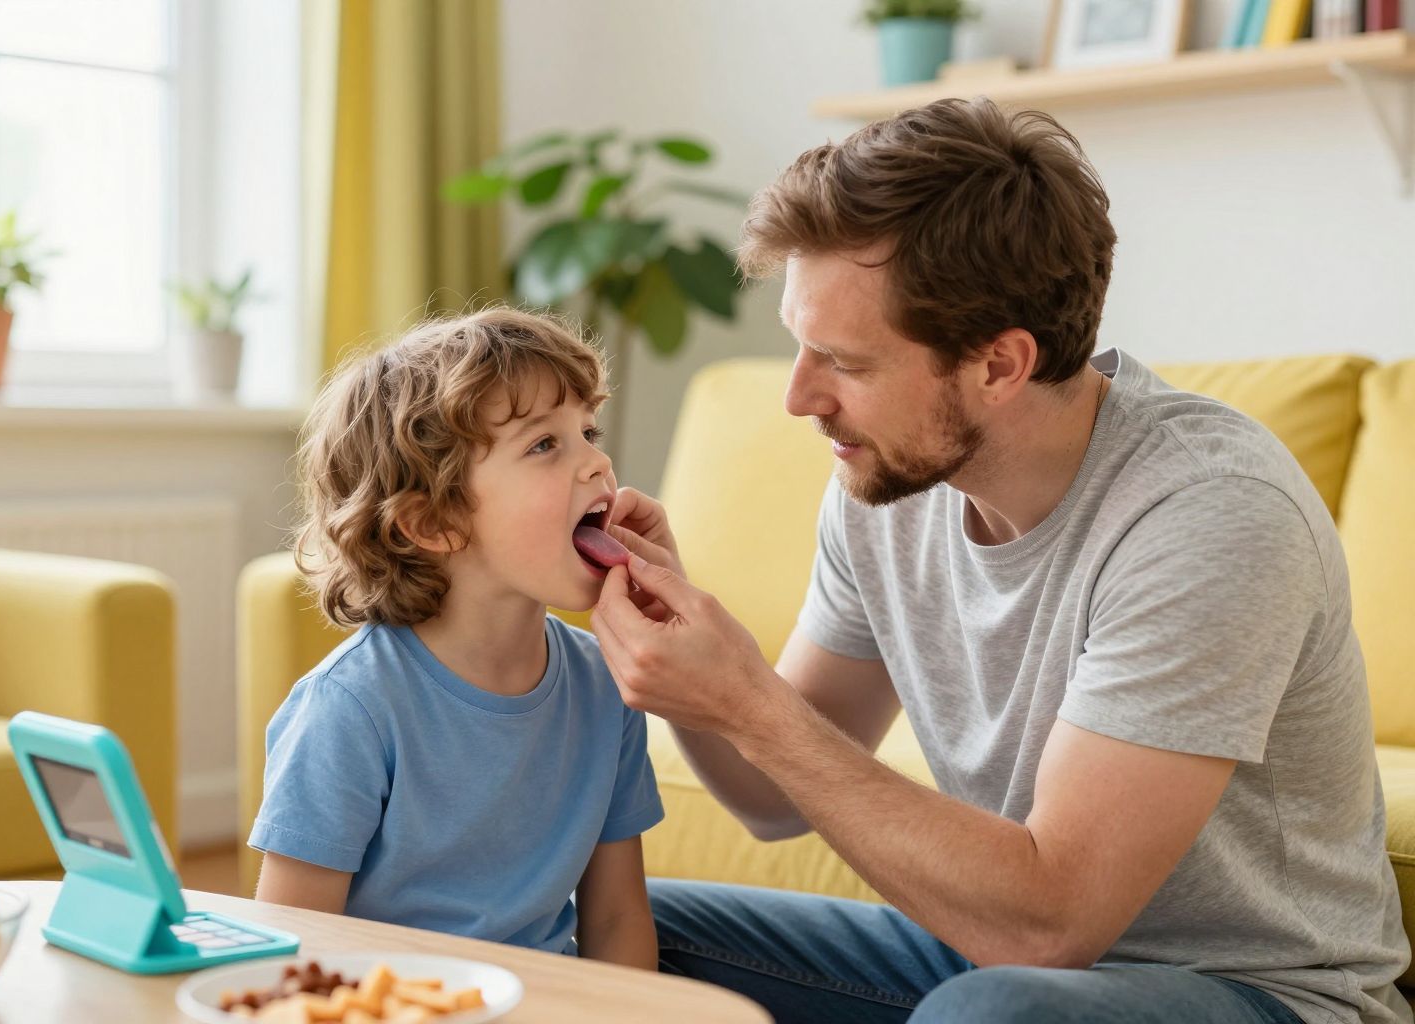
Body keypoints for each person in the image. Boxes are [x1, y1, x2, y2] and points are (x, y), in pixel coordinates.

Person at [591, 98, 1412, 1022]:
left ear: (1000, 365)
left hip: (1257, 995)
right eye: (797, 345)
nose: (797, 397)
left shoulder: (1209, 514)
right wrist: (681, 653)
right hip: (989, 959)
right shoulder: (886, 483)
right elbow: (771, 800)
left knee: (999, 1013)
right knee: (604, 932)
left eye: (844, 362)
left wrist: (752, 700)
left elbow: (1050, 927)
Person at [248, 307, 662, 969]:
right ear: (433, 523)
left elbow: (616, 920)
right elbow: (293, 956)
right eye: (544, 444)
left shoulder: (606, 685)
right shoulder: (351, 708)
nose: (598, 462)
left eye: (587, 430)